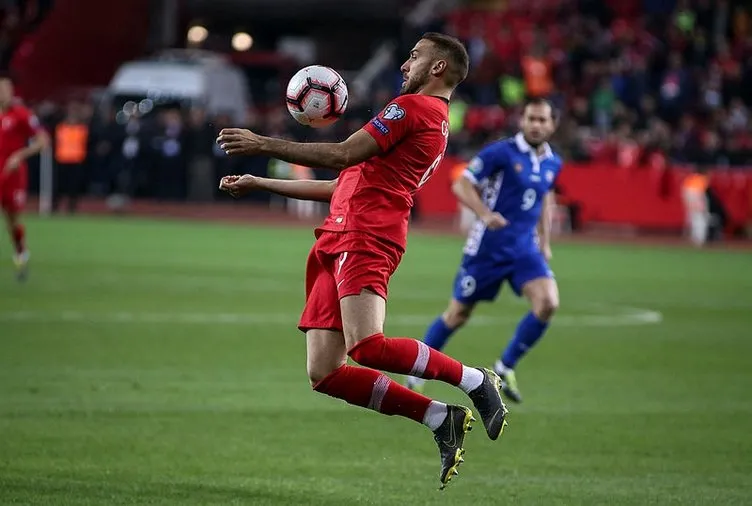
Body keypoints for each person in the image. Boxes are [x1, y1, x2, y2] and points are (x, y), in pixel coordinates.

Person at [216, 33, 507, 489]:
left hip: (367, 234)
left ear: (437, 68)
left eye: (415, 55)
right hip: (338, 233)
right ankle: (438, 418)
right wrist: (261, 183)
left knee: (368, 346)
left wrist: (262, 143)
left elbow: (341, 155)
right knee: (325, 372)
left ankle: (474, 380)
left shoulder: (415, 109)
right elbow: (342, 185)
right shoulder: (426, 119)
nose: (405, 63)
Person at [406, 98, 562, 404]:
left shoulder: (552, 161)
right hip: (487, 250)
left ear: (552, 125)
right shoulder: (500, 152)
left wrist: (544, 241)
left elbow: (545, 197)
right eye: (531, 118)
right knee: (458, 314)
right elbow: (461, 184)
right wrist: (484, 214)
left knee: (548, 302)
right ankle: (415, 372)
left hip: (524, 250)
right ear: (522, 120)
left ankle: (504, 368)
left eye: (543, 120)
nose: (536, 125)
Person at [0, 73, 49, 280]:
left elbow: (42, 140)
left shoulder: (21, 114)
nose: (3, 93)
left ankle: (20, 251)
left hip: (12, 175)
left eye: (6, 89)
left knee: (12, 219)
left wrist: (19, 155)